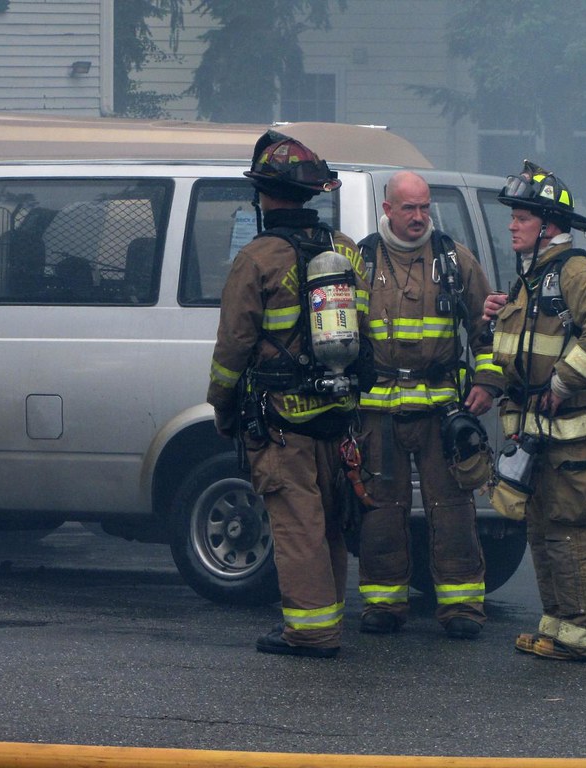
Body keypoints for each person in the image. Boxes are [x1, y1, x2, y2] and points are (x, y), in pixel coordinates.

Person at [207, 131, 372, 659]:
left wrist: (222, 405)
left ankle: (312, 630)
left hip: (282, 422)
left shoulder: (257, 258)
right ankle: (329, 617)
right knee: (332, 522)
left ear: (265, 195)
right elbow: (366, 325)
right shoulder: (344, 250)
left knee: (298, 525)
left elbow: (233, 345)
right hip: (340, 413)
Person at [485, 161, 586, 662]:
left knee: (579, 535)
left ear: (547, 225)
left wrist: (565, 380)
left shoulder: (574, 271)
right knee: (547, 533)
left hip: (576, 440)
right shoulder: (535, 278)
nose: (511, 225)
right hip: (543, 440)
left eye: (520, 217)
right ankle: (562, 627)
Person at [356, 170, 502, 639]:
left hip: (441, 409)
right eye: (409, 209)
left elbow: (487, 331)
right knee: (381, 508)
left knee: (453, 508)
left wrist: (486, 380)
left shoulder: (454, 260)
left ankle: (462, 609)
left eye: (425, 208)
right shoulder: (360, 261)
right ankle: (383, 605)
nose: (420, 217)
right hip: (378, 409)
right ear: (388, 210)